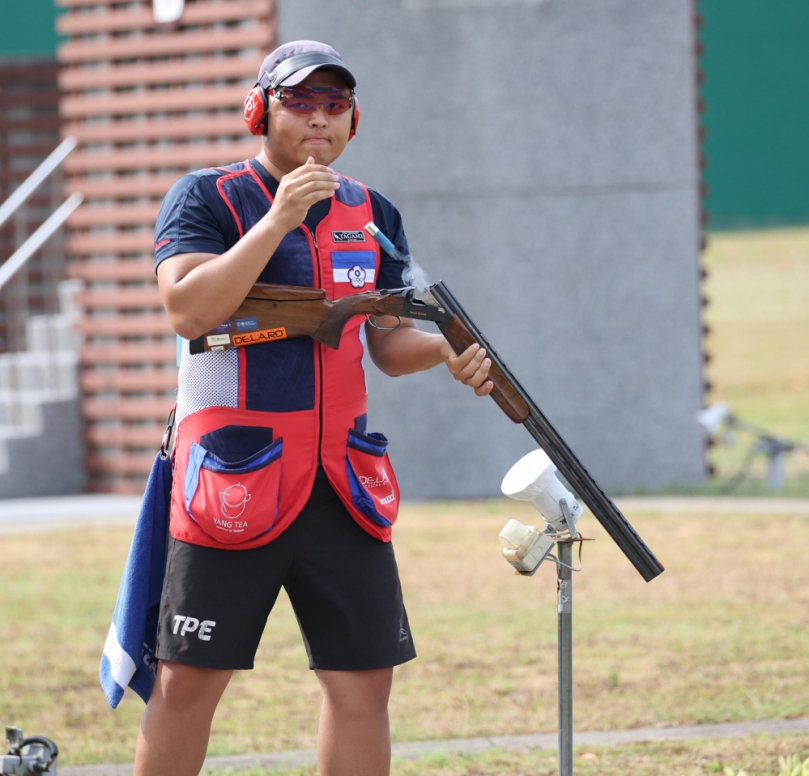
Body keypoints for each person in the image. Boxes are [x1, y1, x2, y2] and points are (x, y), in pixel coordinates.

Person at [138, 40, 492, 776]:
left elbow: (389, 342)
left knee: (363, 681)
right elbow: (186, 308)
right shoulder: (207, 196)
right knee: (188, 680)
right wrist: (275, 220)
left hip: (342, 482)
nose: (318, 118)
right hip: (231, 478)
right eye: (299, 101)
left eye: (334, 104)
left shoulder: (373, 212)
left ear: (354, 119)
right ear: (258, 110)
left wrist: (448, 351)